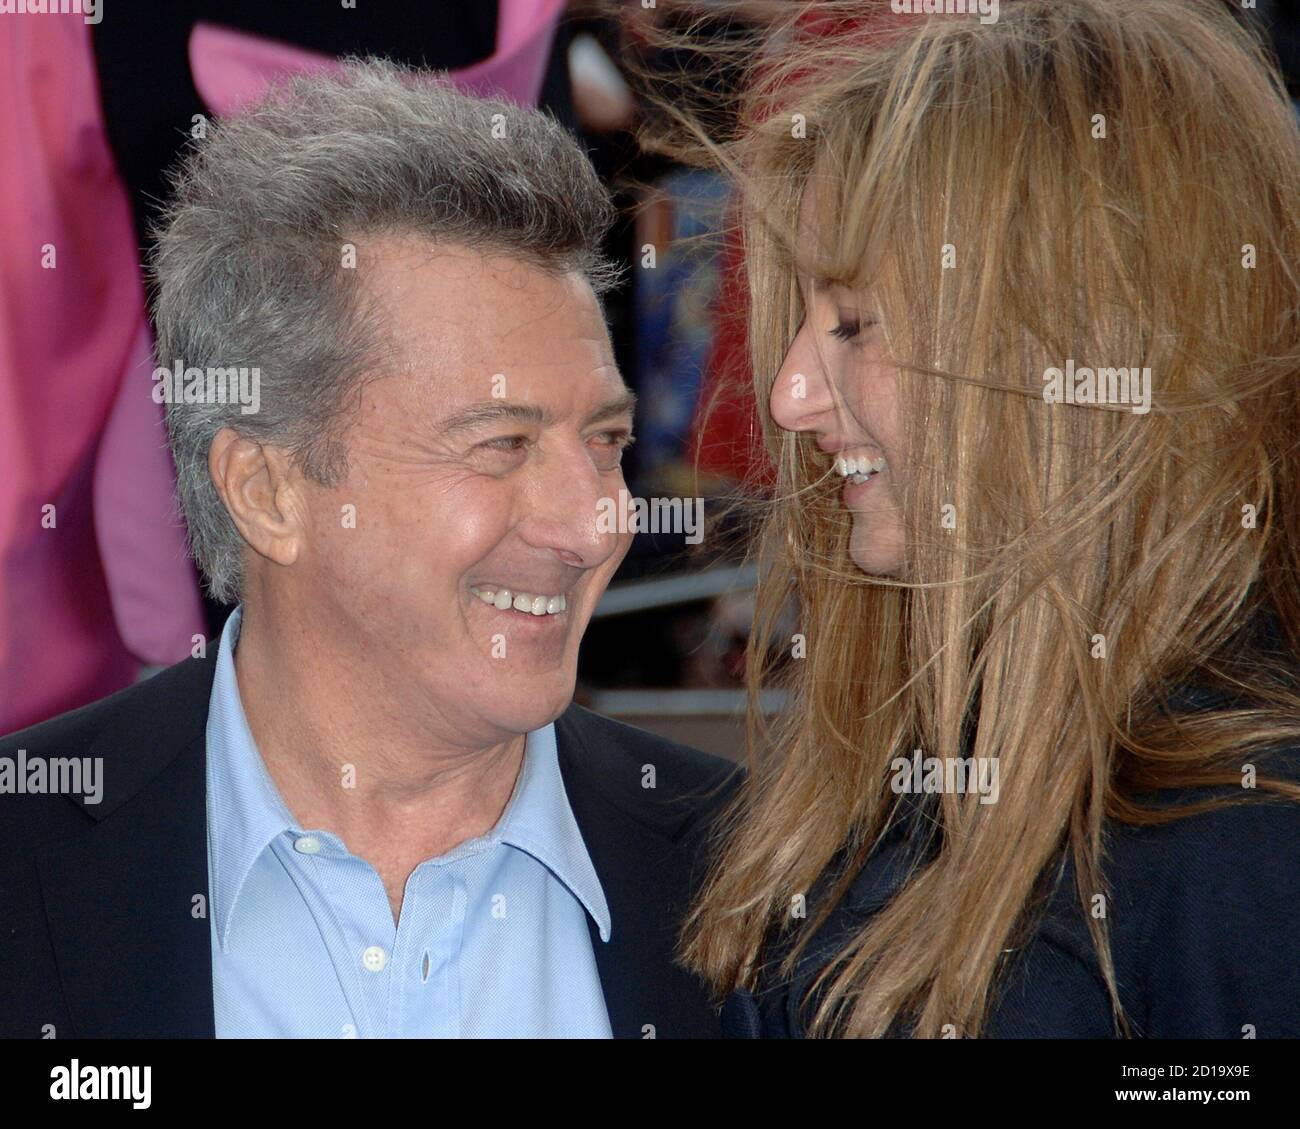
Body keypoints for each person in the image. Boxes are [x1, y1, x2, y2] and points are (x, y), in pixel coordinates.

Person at [0, 59, 736, 1039]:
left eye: (603, 442)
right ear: (269, 491)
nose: (594, 522)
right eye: (500, 445)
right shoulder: (24, 863)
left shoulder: (763, 879)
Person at [658, 0, 1300, 1037]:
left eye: (855, 323)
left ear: (1071, 343)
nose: (786, 396)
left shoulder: (1242, 841)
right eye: (802, 323)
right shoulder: (899, 755)